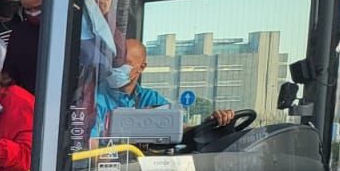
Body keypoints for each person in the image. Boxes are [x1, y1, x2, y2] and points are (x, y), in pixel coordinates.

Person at [92, 38, 235, 139]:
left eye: (126, 63)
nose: (118, 66)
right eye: (117, 60)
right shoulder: (93, 98)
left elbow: (177, 127)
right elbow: (90, 147)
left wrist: (209, 124)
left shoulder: (150, 98)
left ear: (142, 67)